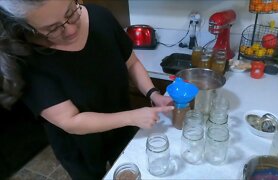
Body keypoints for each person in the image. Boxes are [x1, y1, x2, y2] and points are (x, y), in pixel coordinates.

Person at [0, 0, 173, 179]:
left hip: (122, 129)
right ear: (28, 27)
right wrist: (132, 117)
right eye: (52, 28)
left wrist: (153, 93)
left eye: (70, 12)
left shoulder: (101, 17)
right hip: (79, 146)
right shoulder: (25, 59)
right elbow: (71, 121)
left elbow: (132, 63)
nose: (71, 30)